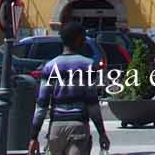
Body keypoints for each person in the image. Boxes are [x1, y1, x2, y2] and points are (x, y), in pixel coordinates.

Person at [28, 22, 111, 155]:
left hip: (56, 129)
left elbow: (42, 105)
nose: (84, 42)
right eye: (83, 38)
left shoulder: (49, 67)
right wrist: (102, 133)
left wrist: (33, 136)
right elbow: (92, 104)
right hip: (78, 127)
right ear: (78, 40)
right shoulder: (88, 66)